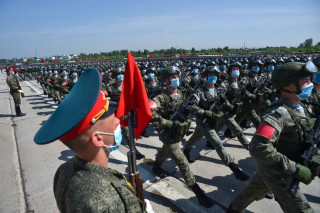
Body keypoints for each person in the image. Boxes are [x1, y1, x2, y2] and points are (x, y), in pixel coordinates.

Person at [34, 68, 149, 213]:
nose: (117, 119)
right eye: (112, 116)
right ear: (98, 138)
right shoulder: (112, 199)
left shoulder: (64, 170)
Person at [227, 61, 320, 213]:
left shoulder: (301, 105)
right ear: (289, 86)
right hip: (279, 174)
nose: (310, 84)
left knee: (251, 192)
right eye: (305, 81)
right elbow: (258, 147)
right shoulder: (278, 113)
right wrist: (295, 168)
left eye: (310, 80)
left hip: (273, 166)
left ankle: (232, 209)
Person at [150, 66, 214, 208]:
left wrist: (203, 112)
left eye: (177, 76)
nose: (176, 79)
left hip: (178, 133)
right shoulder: (161, 97)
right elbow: (149, 110)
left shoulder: (183, 94)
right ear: (166, 81)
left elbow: (191, 107)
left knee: (165, 151)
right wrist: (167, 122)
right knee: (183, 163)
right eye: (173, 77)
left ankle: (156, 166)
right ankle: (199, 194)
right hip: (167, 134)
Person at [182, 65, 249, 181]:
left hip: (217, 117)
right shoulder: (200, 91)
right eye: (210, 75)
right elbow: (190, 106)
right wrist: (204, 112)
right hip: (205, 122)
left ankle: (186, 151)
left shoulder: (218, 89)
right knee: (218, 143)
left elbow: (225, 101)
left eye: (215, 75)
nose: (213, 77)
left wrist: (228, 104)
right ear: (206, 76)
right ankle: (235, 170)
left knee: (196, 137)